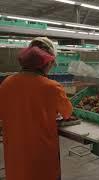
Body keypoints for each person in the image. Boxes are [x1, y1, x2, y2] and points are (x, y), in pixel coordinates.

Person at [0, 37, 73, 180]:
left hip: (15, 157)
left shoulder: (6, 83)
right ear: (46, 62)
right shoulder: (52, 87)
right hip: (41, 159)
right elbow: (67, 113)